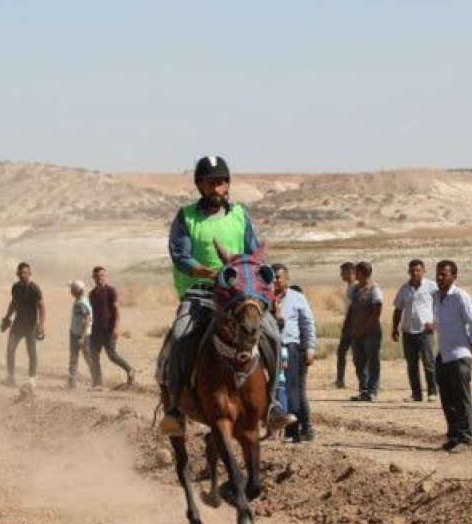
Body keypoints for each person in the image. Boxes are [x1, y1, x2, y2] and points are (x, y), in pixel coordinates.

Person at [158, 155, 288, 437]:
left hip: (238, 296)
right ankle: (175, 410)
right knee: (180, 334)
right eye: (212, 183)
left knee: (274, 337)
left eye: (223, 182)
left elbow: (253, 254)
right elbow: (179, 255)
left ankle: (273, 403)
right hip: (200, 293)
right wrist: (203, 271)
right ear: (199, 185)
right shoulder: (186, 217)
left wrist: (265, 288)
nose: (218, 188)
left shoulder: (240, 215)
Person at [433, 260, 472, 452]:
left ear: (454, 276)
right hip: (443, 354)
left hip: (459, 354)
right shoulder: (437, 297)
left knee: (462, 398)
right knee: (447, 398)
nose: (439, 278)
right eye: (438, 274)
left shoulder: (460, 296)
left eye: (444, 274)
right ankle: (453, 435)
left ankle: (465, 437)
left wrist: (468, 349)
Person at [274, 263, 316, 442]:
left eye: (278, 277)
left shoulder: (298, 298)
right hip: (270, 348)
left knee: (294, 390)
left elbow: (308, 324)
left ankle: (296, 430)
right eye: (273, 277)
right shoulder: (263, 298)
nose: (275, 280)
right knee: (275, 390)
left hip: (292, 348)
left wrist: (309, 349)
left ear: (286, 278)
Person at [391, 259, 438, 403]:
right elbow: (398, 309)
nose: (415, 273)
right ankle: (416, 394)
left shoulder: (432, 287)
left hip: (425, 330)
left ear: (424, 271)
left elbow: (440, 305)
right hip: (408, 331)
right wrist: (395, 327)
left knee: (428, 362)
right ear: (408, 272)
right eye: (412, 271)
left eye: (418, 270)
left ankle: (432, 392)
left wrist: (435, 322)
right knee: (412, 364)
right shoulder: (404, 289)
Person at [87, 266, 135, 390]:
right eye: (97, 276)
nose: (99, 278)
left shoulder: (110, 291)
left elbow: (116, 310)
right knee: (93, 356)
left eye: (102, 276)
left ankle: (129, 369)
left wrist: (116, 328)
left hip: (108, 329)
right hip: (96, 330)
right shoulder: (91, 294)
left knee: (112, 355)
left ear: (105, 277)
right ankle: (97, 383)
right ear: (93, 278)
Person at [0, 261, 45, 386]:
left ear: (30, 273)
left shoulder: (34, 288)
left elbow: (42, 308)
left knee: (31, 351)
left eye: (25, 273)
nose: (23, 275)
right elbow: (14, 303)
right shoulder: (15, 287)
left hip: (31, 326)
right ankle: (10, 377)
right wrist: (7, 317)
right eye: (20, 273)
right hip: (17, 324)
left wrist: (41, 326)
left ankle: (32, 378)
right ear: (17, 274)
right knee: (10, 349)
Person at [345, 260, 384, 402]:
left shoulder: (375, 290)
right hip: (356, 332)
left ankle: (373, 390)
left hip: (371, 332)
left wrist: (363, 328)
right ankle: (363, 390)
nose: (355, 274)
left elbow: (376, 312)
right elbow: (351, 309)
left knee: (372, 362)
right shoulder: (354, 289)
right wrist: (347, 326)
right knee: (359, 361)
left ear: (362, 273)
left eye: (356, 272)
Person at [66, 280, 91, 389]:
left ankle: (97, 379)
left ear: (75, 291)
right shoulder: (81, 300)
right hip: (76, 333)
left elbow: (86, 320)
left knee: (86, 357)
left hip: (81, 335)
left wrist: (82, 336)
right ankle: (72, 383)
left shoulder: (81, 303)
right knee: (74, 358)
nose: (70, 291)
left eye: (71, 289)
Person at [334, 261, 356, 389]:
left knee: (360, 355)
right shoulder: (350, 286)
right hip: (349, 324)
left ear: (351, 272)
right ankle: (340, 380)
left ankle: (370, 382)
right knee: (341, 352)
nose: (341, 275)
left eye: (343, 272)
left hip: (354, 325)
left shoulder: (355, 287)